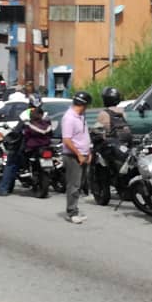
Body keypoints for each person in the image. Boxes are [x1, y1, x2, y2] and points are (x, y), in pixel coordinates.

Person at [0, 95, 42, 196]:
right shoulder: (43, 113)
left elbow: (18, 130)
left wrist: (11, 137)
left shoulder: (26, 113)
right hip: (40, 145)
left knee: (11, 163)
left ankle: (3, 189)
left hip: (25, 146)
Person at [61, 91, 93, 223]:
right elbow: (67, 140)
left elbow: (84, 135)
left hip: (84, 154)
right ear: (83, 105)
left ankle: (75, 209)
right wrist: (79, 154)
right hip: (73, 156)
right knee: (74, 185)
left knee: (80, 184)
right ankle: (72, 212)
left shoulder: (80, 116)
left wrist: (89, 151)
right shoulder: (69, 118)